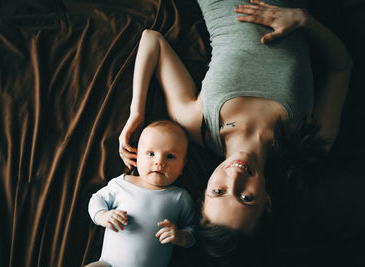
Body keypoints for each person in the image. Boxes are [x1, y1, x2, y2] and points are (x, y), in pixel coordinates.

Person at [118, 0, 351, 263]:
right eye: (245, 197)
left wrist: (136, 113)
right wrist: (303, 19)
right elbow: (340, 68)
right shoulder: (310, 142)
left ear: (204, 191)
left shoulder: (196, 123)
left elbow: (152, 40)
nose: (235, 178)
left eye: (218, 192)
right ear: (267, 202)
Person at [87, 120, 196, 267]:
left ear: (183, 165)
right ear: (137, 157)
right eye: (151, 153)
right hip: (108, 264)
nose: (159, 162)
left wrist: (181, 236)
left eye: (170, 156)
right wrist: (102, 215)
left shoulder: (180, 197)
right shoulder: (122, 184)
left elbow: (193, 228)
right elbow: (97, 198)